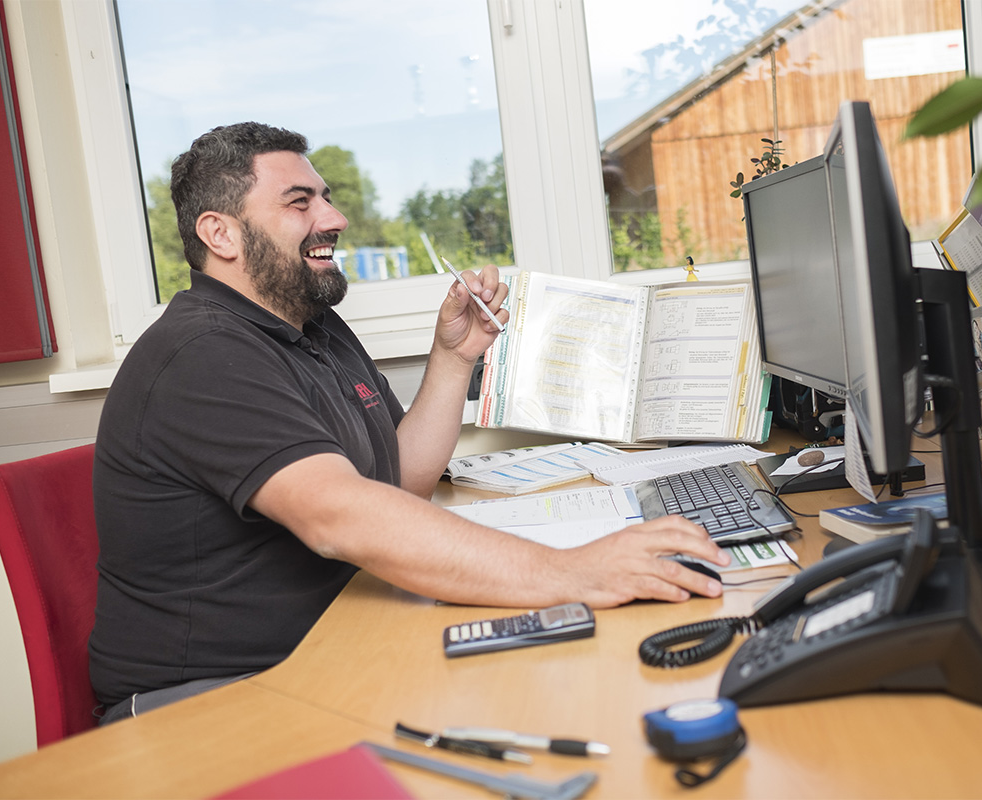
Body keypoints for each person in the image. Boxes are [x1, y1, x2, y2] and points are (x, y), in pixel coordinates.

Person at [89, 122, 728, 724]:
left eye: (326, 198)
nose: (333, 219)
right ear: (220, 234)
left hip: (339, 636)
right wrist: (570, 571)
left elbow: (397, 483)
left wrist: (454, 358)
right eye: (299, 202)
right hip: (214, 694)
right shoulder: (202, 354)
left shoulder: (312, 326)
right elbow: (341, 517)